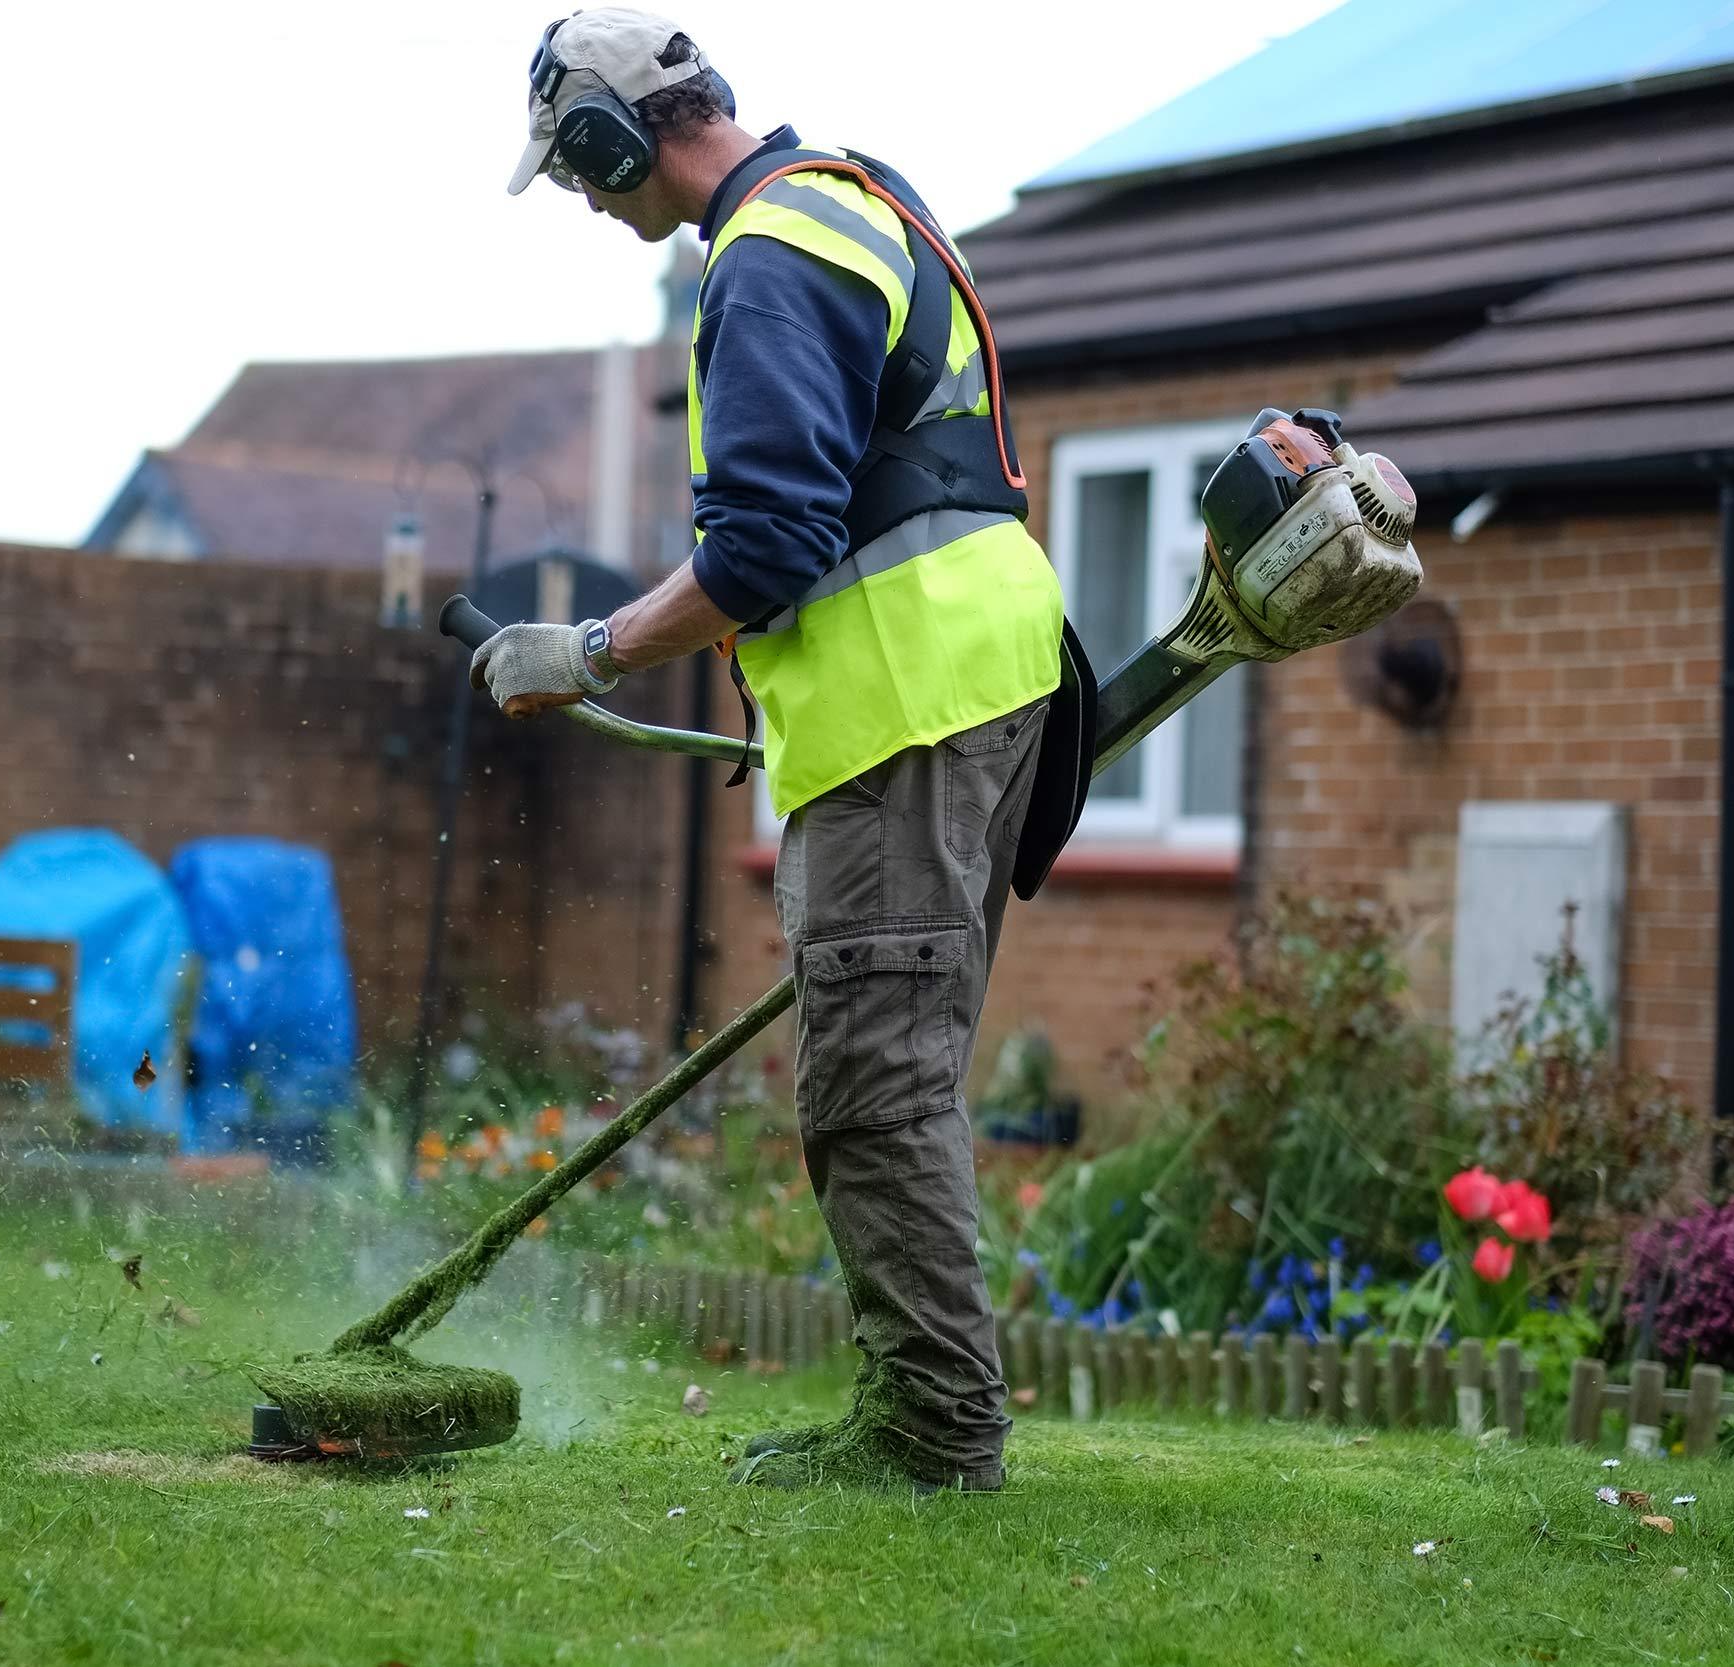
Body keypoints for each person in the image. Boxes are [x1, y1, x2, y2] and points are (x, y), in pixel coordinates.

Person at [473, 7, 1078, 1494]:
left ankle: (932, 1431)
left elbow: (767, 546)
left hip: (912, 700)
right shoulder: (856, 200)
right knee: (897, 1062)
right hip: (984, 678)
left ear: (621, 138)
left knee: (873, 1077)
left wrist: (590, 651)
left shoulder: (766, 259)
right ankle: (930, 1412)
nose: (586, 201)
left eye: (579, 171)